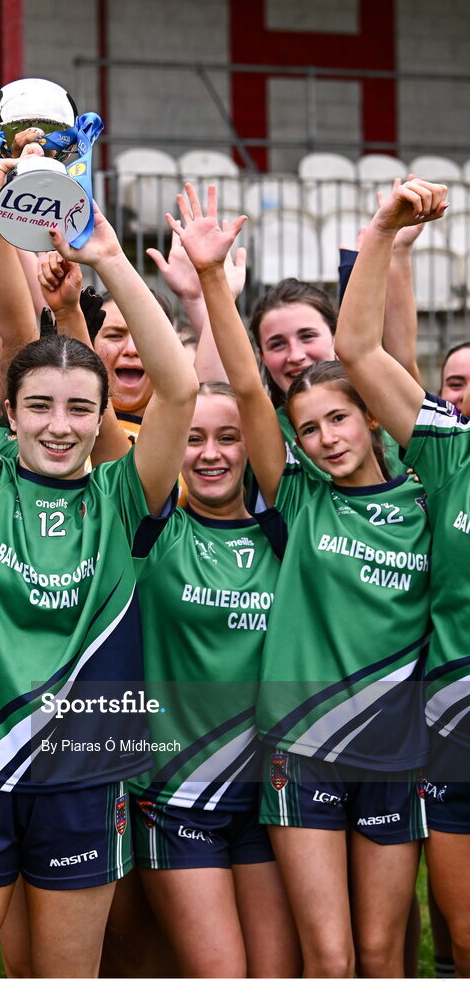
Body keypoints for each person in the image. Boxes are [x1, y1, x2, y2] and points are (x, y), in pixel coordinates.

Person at [0, 145, 197, 978]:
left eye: (80, 407)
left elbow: (177, 390)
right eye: (39, 405)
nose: (60, 424)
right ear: (13, 409)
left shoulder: (123, 494)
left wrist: (106, 251)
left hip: (82, 778)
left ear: (103, 412)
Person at [175, 183, 431, 978]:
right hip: (303, 748)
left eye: (340, 419)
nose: (323, 438)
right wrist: (215, 281)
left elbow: (397, 359)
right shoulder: (296, 493)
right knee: (330, 954)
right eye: (310, 425)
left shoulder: (427, 491)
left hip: (395, 747)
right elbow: (249, 388)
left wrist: (389, 247)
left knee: (385, 953)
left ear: (372, 417)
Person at [334, 177, 470, 975]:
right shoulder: (449, 455)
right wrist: (382, 229)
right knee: (460, 937)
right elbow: (357, 350)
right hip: (454, 734)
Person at [128, 381, 301, 978]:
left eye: (229, 437)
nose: (210, 453)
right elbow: (102, 430)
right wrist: (71, 312)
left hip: (270, 797)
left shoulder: (288, 537)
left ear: (253, 444)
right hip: (177, 798)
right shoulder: (153, 531)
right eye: (193, 437)